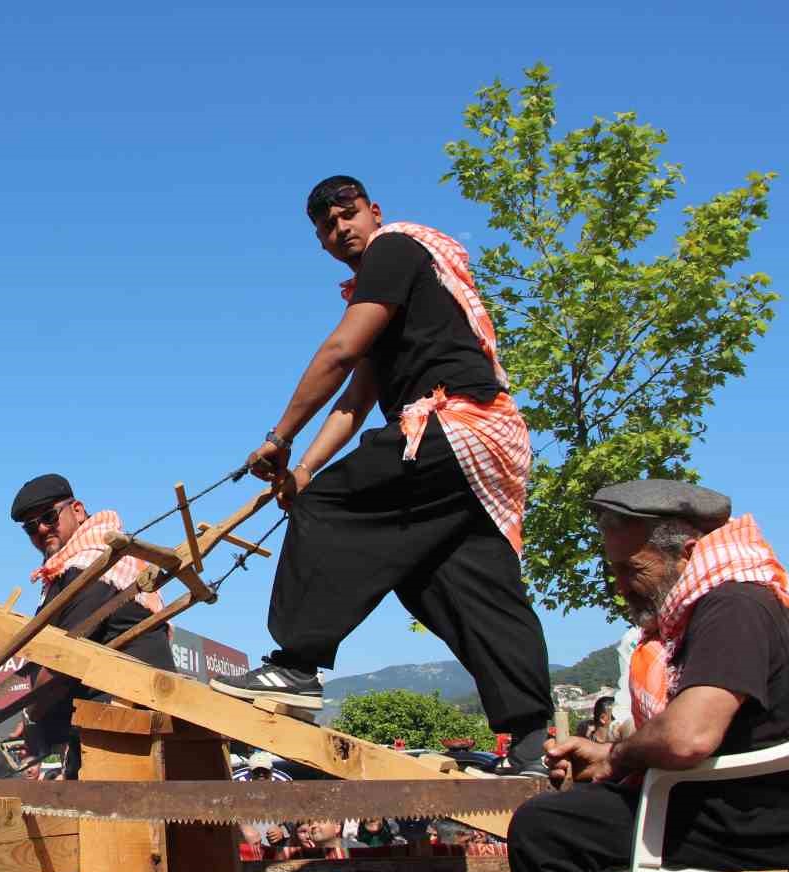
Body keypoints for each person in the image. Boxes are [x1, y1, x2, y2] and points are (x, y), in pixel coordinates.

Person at [211, 175, 552, 774]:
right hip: (484, 443)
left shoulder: (394, 249)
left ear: (374, 211)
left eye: (347, 215)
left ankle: (294, 665)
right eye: (325, 226)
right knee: (457, 585)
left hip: (453, 423)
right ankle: (532, 743)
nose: (339, 229)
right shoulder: (394, 287)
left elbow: (339, 352)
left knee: (330, 511)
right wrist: (306, 470)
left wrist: (279, 437)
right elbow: (355, 398)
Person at [508, 480, 789, 872]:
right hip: (751, 811)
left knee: (545, 829)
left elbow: (688, 737)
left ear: (687, 554)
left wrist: (615, 759)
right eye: (615, 572)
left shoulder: (734, 606)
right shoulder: (748, 599)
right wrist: (611, 754)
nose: (622, 587)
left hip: (755, 824)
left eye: (633, 570)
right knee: (572, 818)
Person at [9, 474, 178, 776]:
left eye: (48, 517)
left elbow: (62, 660)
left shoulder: (91, 565)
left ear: (77, 510)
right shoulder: (75, 566)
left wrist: (32, 714)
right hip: (110, 718)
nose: (42, 529)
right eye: (31, 527)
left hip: (125, 720)